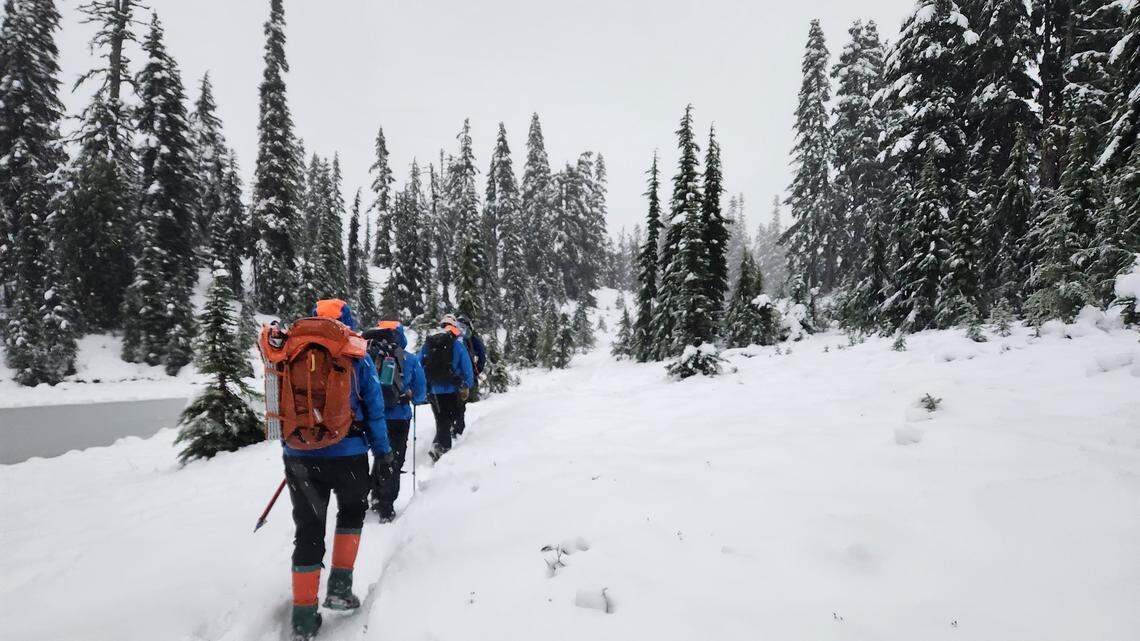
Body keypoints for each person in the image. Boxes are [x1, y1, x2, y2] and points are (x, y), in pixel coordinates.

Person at [280, 300, 392, 641]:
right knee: (351, 515)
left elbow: (278, 402)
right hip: (349, 454)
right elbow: (374, 406)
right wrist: (383, 453)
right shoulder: (354, 351)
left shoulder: (289, 349)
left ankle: (303, 617)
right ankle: (340, 590)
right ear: (347, 321)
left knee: (308, 528)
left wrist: (294, 444)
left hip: (299, 455)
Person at [361, 320, 426, 522]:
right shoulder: (410, 359)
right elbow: (421, 393)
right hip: (399, 417)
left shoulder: (367, 357)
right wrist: (409, 395)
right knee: (394, 460)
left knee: (380, 455)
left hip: (373, 417)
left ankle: (374, 496)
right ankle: (385, 506)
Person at [419, 314, 474, 461]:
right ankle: (441, 451)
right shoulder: (457, 344)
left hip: (434, 391)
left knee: (441, 419)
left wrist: (423, 387)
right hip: (452, 389)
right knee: (450, 419)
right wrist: (467, 384)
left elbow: (419, 365)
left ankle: (439, 446)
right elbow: (467, 367)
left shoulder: (429, 343)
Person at [455, 316, 487, 436]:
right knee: (464, 404)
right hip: (467, 377)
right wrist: (476, 370)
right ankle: (459, 431)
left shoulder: (454, 339)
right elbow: (482, 356)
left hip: (453, 378)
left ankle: (455, 430)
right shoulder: (471, 339)